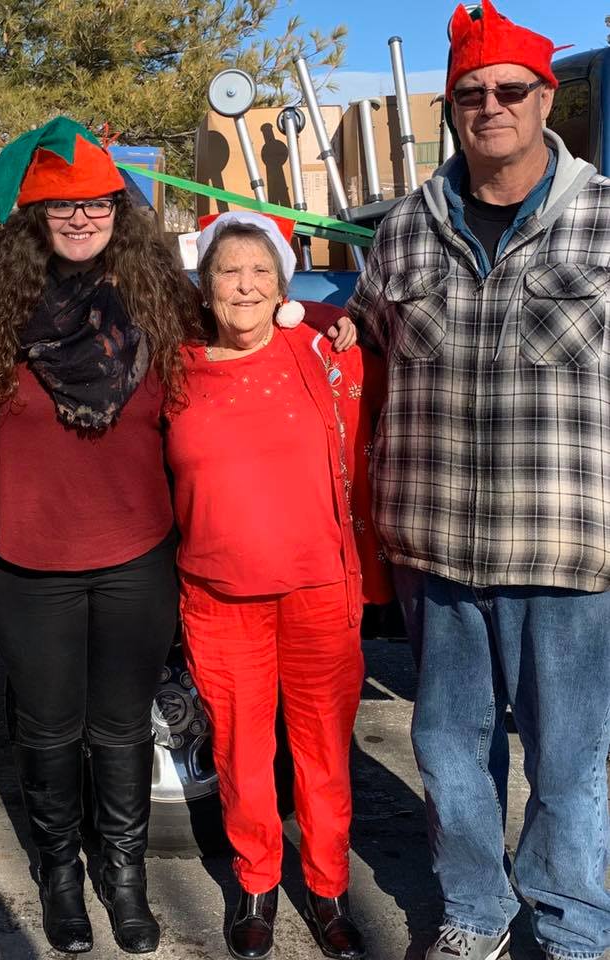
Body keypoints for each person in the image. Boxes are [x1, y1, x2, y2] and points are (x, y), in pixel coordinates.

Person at [346, 3, 610, 959]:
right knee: (450, 751)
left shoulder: (606, 221)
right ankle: (477, 912)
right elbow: (367, 351)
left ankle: (574, 925)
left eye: (510, 90)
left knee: (571, 762)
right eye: (471, 94)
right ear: (450, 108)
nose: (490, 107)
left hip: (569, 551)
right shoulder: (406, 229)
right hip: (437, 547)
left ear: (547, 100)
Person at [0, 116, 200, 955]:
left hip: (136, 551)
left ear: (118, 207)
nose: (81, 216)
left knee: (122, 725)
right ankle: (62, 873)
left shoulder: (162, 299)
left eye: (96, 201)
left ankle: (123, 875)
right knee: (49, 729)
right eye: (60, 205)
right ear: (34, 217)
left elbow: (248, 337)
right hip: (28, 554)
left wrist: (319, 322)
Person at [165, 211, 388, 960]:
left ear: (283, 285)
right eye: (229, 270)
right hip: (218, 596)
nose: (246, 284)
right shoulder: (176, 367)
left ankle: (327, 890)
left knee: (323, 754)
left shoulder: (321, 349)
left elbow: (387, 338)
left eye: (261, 271)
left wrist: (338, 318)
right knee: (241, 752)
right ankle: (256, 882)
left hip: (319, 588)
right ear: (206, 284)